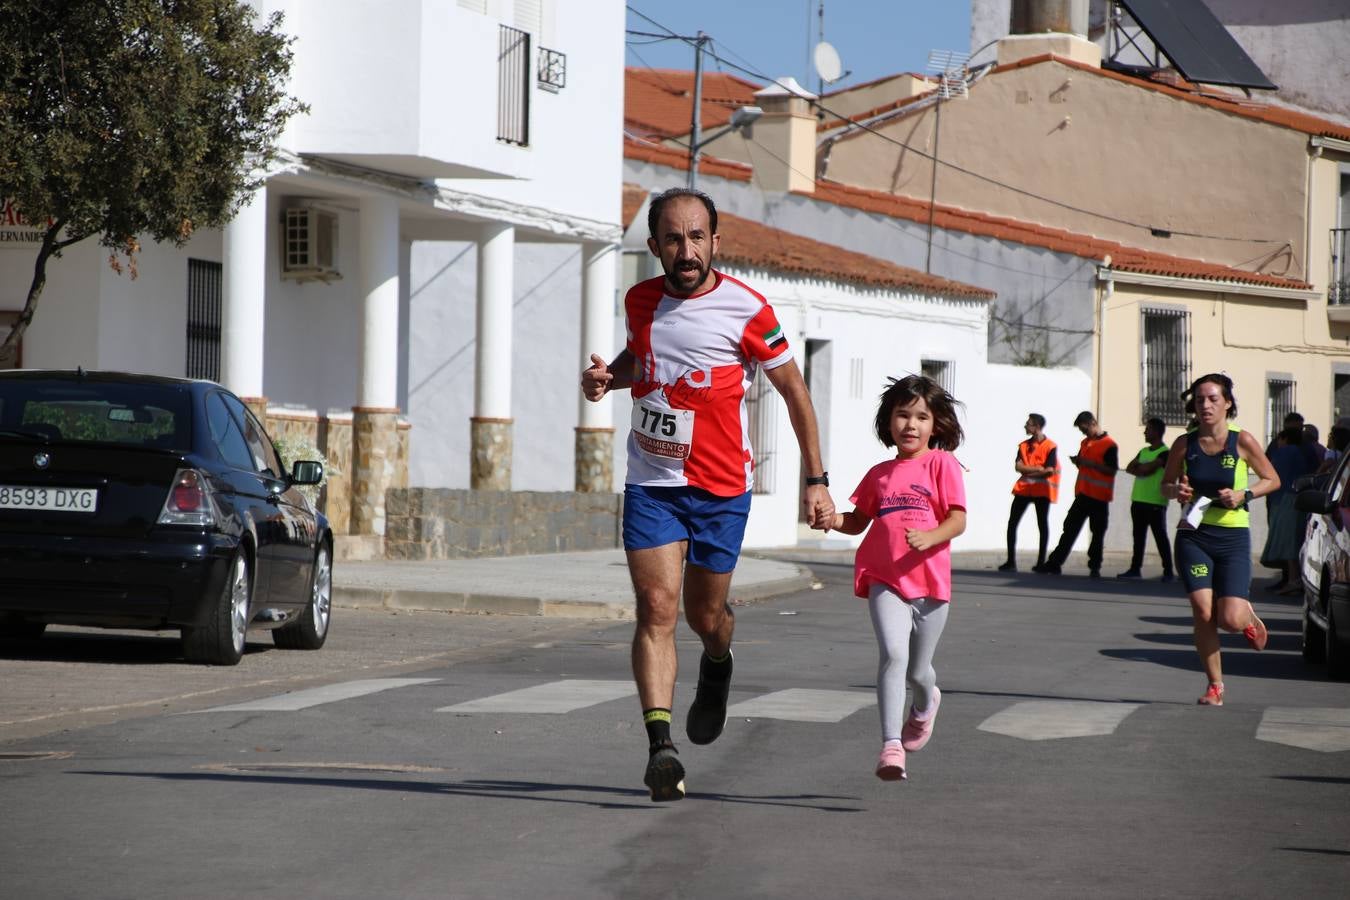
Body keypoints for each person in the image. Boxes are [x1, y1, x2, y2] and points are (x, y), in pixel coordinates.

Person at [580, 187, 835, 802]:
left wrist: (816, 480)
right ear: (654, 247)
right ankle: (660, 747)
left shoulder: (747, 308)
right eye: (673, 238)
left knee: (704, 617)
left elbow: (795, 394)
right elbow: (643, 359)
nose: (686, 250)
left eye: (697, 237)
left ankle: (717, 660)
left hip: (721, 488)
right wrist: (609, 378)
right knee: (656, 607)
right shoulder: (640, 301)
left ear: (715, 243)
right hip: (652, 483)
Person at [825, 375, 966, 782]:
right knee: (894, 656)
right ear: (889, 422)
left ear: (935, 425)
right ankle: (890, 746)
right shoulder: (879, 473)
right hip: (885, 577)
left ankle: (925, 704)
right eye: (902, 415)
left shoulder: (942, 464)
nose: (911, 424)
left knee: (919, 672)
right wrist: (831, 519)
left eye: (921, 417)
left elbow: (957, 519)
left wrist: (929, 537)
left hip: (931, 584)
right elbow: (857, 521)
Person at [1161, 373, 1279, 707]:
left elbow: (1273, 479)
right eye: (1200, 400)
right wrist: (1176, 491)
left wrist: (1244, 494)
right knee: (1202, 610)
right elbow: (1165, 485)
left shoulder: (1242, 441)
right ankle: (1215, 686)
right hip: (1193, 534)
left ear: (1227, 403)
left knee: (1229, 619)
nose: (1206, 405)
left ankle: (1245, 618)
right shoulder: (1185, 444)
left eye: (1213, 399)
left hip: (1232, 537)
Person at [1033, 411, 1119, 577]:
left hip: (1099, 498)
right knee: (1069, 529)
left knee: (1097, 533)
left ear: (1092, 423)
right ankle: (1054, 563)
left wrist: (1090, 464)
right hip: (1083, 494)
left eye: (1083, 429)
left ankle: (1095, 566)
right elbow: (1084, 465)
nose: (1082, 432)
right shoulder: (1085, 442)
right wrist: (1078, 462)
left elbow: (1111, 470)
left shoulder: (1109, 445)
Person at [998, 413, 1059, 572]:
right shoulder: (1023, 446)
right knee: (1012, 524)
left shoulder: (1050, 446)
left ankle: (1040, 563)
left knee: (1042, 525)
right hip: (1023, 490)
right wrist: (1037, 469)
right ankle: (1011, 562)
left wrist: (1028, 471)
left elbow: (1049, 471)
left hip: (1041, 491)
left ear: (1037, 427)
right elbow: (1018, 467)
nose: (1025, 426)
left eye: (1028, 424)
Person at [1118, 417, 1175, 582]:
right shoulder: (1143, 451)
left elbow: (1148, 468)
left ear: (1156, 432)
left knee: (1160, 537)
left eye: (1148, 429)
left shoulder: (1165, 453)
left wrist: (1143, 468)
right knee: (1138, 537)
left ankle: (1168, 571)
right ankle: (1135, 569)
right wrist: (1142, 469)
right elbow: (1130, 468)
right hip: (1138, 500)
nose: (1144, 432)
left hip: (1156, 502)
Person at [1260, 421, 1312, 594]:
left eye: (1279, 439)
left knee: (1288, 541)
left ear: (1285, 438)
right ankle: (1294, 579)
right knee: (1295, 539)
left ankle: (1293, 579)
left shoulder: (1283, 453)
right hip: (1299, 497)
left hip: (1284, 499)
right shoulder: (1303, 452)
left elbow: (1270, 475)